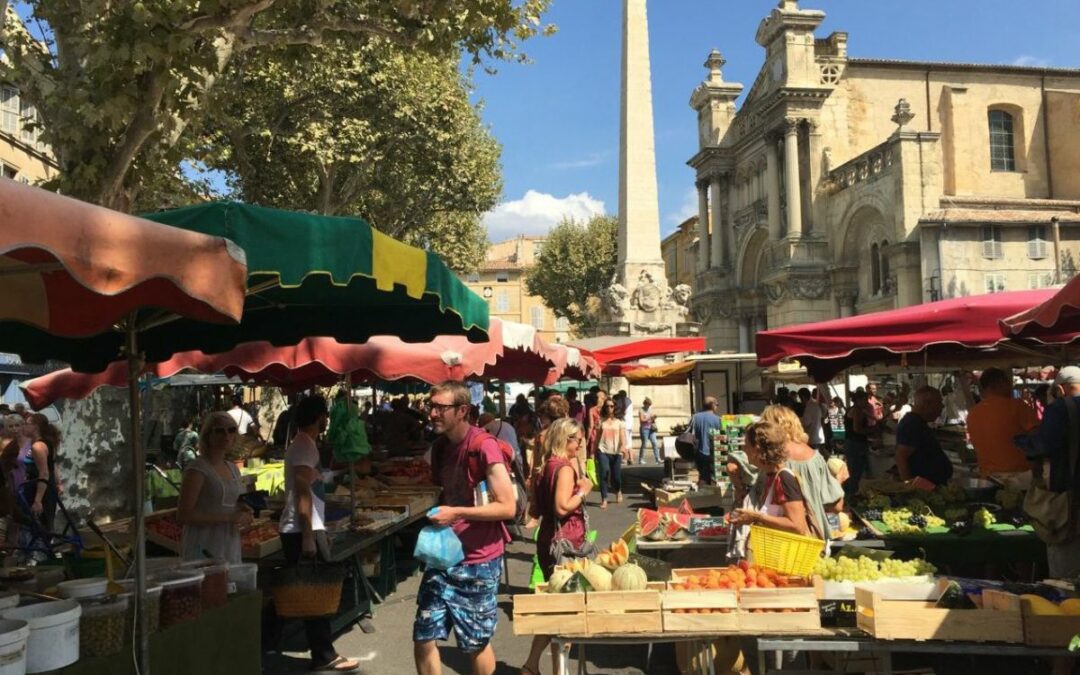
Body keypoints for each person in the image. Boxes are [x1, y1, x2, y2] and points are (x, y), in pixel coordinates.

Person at [416, 381, 514, 675]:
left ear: (462, 411)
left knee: (475, 642)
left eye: (440, 408)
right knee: (424, 635)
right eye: (430, 406)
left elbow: (507, 506)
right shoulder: (440, 447)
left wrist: (456, 512)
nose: (432, 413)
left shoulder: (483, 446)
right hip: (443, 555)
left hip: (479, 560)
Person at [278, 396, 360, 673]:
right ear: (320, 417)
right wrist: (308, 535)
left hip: (305, 525)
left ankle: (267, 639)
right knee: (314, 590)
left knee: (303, 588)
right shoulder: (303, 446)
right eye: (325, 416)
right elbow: (301, 490)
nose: (327, 421)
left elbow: (309, 483)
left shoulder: (305, 445)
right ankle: (324, 655)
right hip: (302, 527)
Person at [520, 418, 590, 675]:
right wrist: (583, 491)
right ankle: (559, 671)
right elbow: (562, 507)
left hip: (548, 538)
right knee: (567, 612)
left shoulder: (543, 468)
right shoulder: (563, 469)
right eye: (577, 440)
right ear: (565, 439)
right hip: (566, 544)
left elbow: (536, 509)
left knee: (555, 606)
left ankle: (531, 665)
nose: (580, 444)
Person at [729, 421, 821, 558]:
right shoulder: (770, 476)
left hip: (786, 561)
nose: (744, 449)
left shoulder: (784, 479)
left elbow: (797, 526)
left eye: (747, 444)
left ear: (758, 448)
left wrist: (756, 517)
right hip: (775, 557)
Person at [760, 405, 845, 541]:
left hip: (778, 536)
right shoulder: (815, 457)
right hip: (813, 537)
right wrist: (838, 479)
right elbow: (836, 506)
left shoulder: (769, 459)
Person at [176, 411, 251, 564]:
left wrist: (243, 510)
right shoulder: (198, 469)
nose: (226, 436)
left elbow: (232, 502)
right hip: (203, 543)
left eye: (231, 430)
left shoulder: (233, 468)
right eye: (219, 431)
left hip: (229, 542)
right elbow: (183, 515)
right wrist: (228, 518)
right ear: (208, 435)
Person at [1033, 366, 1080, 578]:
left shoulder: (1060, 409)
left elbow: (1042, 446)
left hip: (1070, 499)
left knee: (1066, 577)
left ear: (1060, 389)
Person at [966, 367, 1039, 479]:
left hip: (987, 477)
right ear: (1001, 383)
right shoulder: (1018, 406)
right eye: (1009, 383)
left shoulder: (972, 413)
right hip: (1018, 477)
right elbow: (1037, 437)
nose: (1011, 387)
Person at [894, 386, 953, 486]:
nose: (942, 406)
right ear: (927, 404)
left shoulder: (918, 422)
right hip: (923, 488)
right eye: (939, 402)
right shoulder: (912, 424)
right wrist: (911, 487)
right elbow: (901, 457)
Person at [22, 414, 63, 533]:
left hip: (41, 489)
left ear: (35, 427)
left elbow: (44, 472)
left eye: (27, 424)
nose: (24, 427)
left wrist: (38, 500)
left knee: (41, 525)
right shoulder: (43, 443)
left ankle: (42, 550)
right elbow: (53, 465)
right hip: (39, 486)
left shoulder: (38, 446)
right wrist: (58, 482)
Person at [594, 397, 626, 508]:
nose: (609, 408)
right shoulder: (600, 421)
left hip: (616, 452)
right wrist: (594, 451)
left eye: (611, 406)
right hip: (603, 450)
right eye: (607, 406)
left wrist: (623, 447)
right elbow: (597, 437)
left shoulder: (620, 422)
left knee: (616, 476)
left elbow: (623, 436)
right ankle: (604, 499)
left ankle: (618, 490)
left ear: (615, 407)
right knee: (604, 473)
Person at [842, 391, 871, 497]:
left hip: (850, 443)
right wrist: (871, 430)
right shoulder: (857, 410)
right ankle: (852, 496)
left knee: (852, 471)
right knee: (856, 472)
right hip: (856, 444)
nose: (867, 401)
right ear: (859, 400)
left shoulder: (852, 409)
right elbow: (857, 429)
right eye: (865, 399)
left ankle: (849, 494)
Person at [689, 397, 722, 486]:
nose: (717, 407)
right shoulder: (718, 419)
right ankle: (705, 497)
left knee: (703, 476)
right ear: (712, 405)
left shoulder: (695, 417)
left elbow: (689, 434)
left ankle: (704, 494)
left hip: (699, 452)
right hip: (713, 453)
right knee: (710, 479)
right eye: (716, 405)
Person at [637, 397, 659, 464]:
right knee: (644, 444)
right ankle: (641, 459)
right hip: (644, 429)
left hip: (651, 428)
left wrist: (654, 417)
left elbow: (651, 417)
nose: (649, 406)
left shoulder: (650, 409)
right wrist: (649, 417)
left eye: (650, 405)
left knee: (655, 443)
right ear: (645, 404)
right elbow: (642, 420)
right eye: (648, 405)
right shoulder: (641, 410)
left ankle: (657, 459)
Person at [619, 391, 635, 463]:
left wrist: (619, 415)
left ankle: (625, 457)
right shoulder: (629, 400)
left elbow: (623, 410)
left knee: (624, 441)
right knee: (629, 441)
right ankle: (631, 458)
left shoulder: (621, 401)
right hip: (630, 423)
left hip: (625, 423)